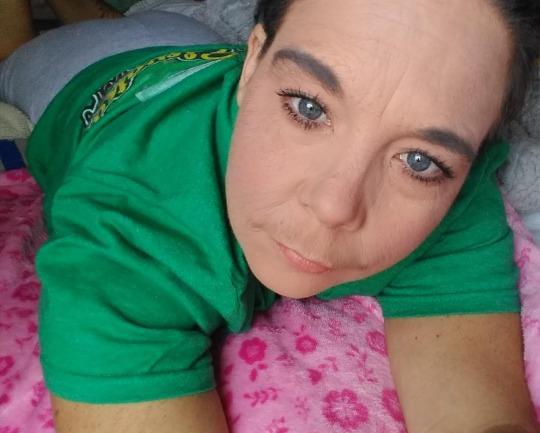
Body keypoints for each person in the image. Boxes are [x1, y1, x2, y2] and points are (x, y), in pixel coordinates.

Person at [1, 0, 540, 432]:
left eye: (417, 160)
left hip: (200, 49)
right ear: (254, 61)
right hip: (83, 72)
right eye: (308, 106)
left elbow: (481, 415)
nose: (334, 208)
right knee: (17, 52)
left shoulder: (452, 190)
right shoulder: (126, 220)